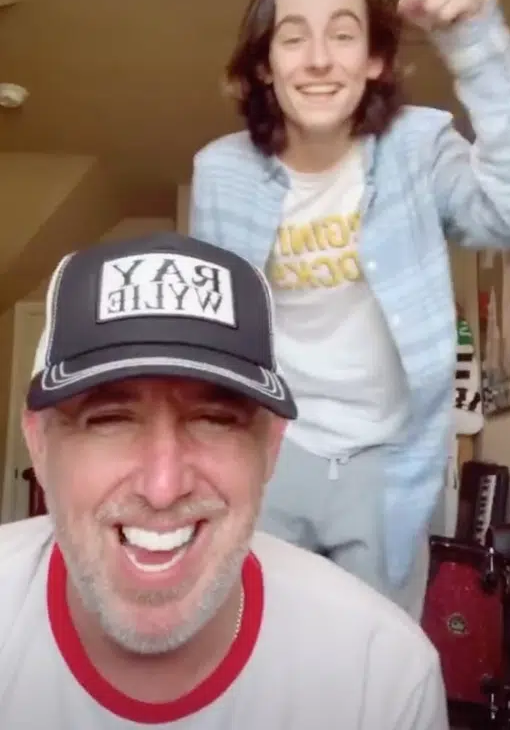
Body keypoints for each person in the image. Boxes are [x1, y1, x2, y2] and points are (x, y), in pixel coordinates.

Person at [189, 0, 510, 619]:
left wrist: (475, 37)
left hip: (391, 464)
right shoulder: (220, 173)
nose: (319, 58)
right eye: (293, 37)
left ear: (375, 59)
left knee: (377, 650)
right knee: (252, 640)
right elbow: (213, 333)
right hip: (271, 449)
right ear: (266, 66)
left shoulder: (418, 149)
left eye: (344, 34)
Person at [0, 231, 449, 728]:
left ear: (271, 447)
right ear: (39, 444)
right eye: (109, 419)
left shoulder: (382, 681)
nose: (163, 488)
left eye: (215, 419)